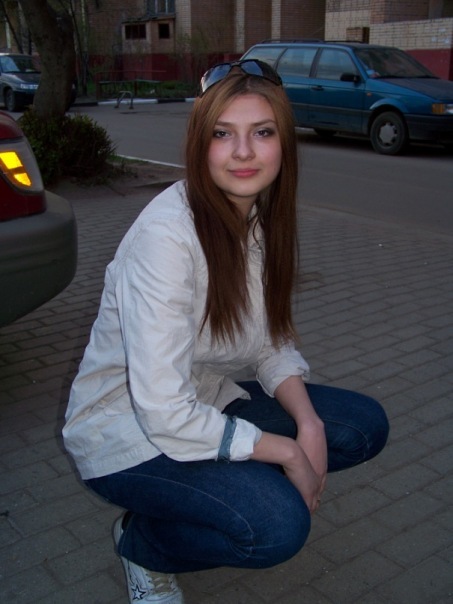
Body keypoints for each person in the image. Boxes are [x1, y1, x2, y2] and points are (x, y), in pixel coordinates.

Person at [63, 59, 389, 604]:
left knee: (361, 427)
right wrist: (285, 453)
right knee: (275, 527)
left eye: (261, 132)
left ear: (284, 144)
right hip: (125, 431)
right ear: (200, 144)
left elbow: (269, 340)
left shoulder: (255, 217)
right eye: (222, 134)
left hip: (203, 400)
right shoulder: (167, 238)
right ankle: (143, 545)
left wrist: (307, 424)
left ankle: (213, 496)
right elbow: (163, 410)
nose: (242, 152)